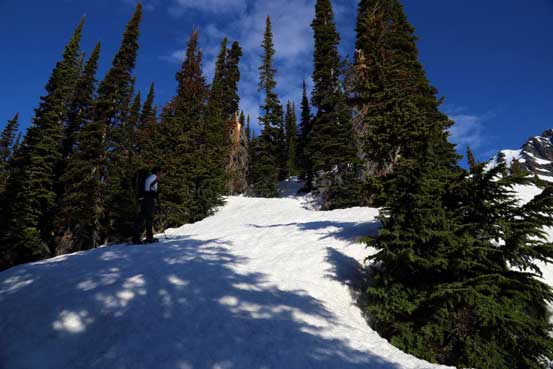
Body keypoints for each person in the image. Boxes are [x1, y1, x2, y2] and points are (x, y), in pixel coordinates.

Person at [133, 166, 163, 244]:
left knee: (146, 217)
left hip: (147, 199)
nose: (161, 174)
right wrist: (149, 193)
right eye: (160, 172)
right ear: (157, 172)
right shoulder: (153, 177)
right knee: (146, 217)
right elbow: (147, 183)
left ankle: (146, 237)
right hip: (148, 199)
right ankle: (142, 237)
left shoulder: (153, 177)